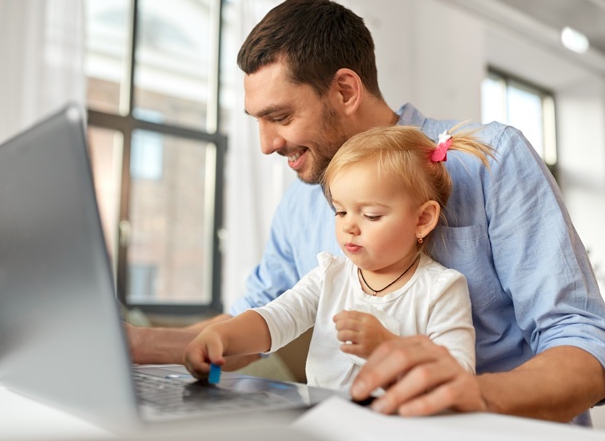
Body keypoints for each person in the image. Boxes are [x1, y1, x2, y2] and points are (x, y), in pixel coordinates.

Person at [127, 0, 605, 424]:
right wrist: (135, 344)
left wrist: (476, 395)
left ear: (346, 90)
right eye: (260, 121)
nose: (268, 144)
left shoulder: (488, 160)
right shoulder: (300, 202)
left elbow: (585, 342)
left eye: (281, 116)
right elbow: (253, 322)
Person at [184, 125, 492, 390]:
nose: (348, 226)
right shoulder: (329, 276)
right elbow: (275, 319)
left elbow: (460, 377)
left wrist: (388, 345)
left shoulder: (441, 289)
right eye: (341, 211)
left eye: (371, 215)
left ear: (422, 219)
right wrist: (222, 337)